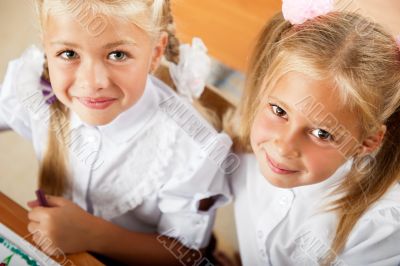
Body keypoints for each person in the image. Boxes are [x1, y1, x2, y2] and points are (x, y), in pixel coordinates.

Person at [0, 0, 232, 264]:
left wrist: (93, 235)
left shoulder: (189, 147)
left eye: (117, 55)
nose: (92, 82)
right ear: (46, 45)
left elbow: (188, 257)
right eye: (69, 54)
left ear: (155, 54)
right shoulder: (32, 83)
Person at [226, 0, 400, 265]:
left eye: (322, 134)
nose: (284, 147)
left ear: (367, 141)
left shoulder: (378, 228)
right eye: (279, 111)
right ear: (264, 88)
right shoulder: (238, 147)